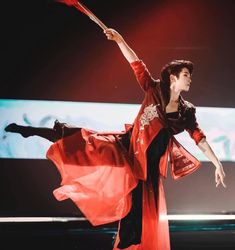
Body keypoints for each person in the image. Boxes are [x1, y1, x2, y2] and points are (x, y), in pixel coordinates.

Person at [5, 28, 226, 250]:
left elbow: (199, 137)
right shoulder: (154, 89)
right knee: (83, 142)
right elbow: (136, 64)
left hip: (146, 169)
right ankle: (32, 130)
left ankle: (125, 242)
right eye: (186, 75)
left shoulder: (186, 112)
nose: (190, 79)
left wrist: (216, 163)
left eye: (190, 75)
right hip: (126, 149)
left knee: (136, 221)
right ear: (173, 77)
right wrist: (119, 40)